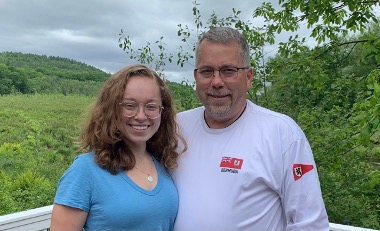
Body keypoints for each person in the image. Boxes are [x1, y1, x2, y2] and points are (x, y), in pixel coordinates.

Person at [172, 27, 329, 231]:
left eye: (228, 70)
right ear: (196, 76)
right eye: (206, 71)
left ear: (248, 77)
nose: (217, 82)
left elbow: (310, 224)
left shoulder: (283, 134)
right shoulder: (176, 128)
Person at [50, 64, 186, 231]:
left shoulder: (163, 163)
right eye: (130, 105)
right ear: (112, 109)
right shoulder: (85, 170)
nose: (141, 116)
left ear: (162, 112)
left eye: (151, 106)